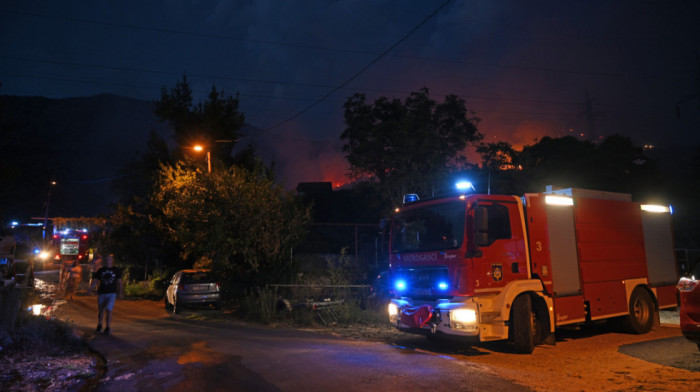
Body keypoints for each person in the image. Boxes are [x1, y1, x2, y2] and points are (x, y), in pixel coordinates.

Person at [86, 254, 123, 335]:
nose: (108, 260)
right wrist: (90, 289)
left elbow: (120, 282)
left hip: (111, 293)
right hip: (102, 292)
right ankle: (99, 325)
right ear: (105, 260)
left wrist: (120, 292)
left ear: (112, 260)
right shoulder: (101, 270)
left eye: (110, 259)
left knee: (109, 310)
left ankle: (108, 327)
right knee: (101, 310)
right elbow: (95, 281)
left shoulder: (116, 270)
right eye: (107, 259)